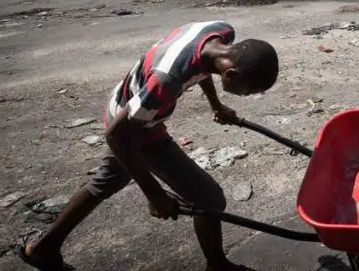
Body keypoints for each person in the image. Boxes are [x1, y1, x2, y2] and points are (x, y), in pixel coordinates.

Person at [19, 21, 279, 271]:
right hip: (133, 127)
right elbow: (117, 136)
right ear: (231, 73)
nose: (248, 96)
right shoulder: (166, 82)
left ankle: (44, 248)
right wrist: (155, 195)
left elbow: (202, 67)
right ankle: (217, 265)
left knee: (107, 181)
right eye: (249, 92)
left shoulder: (219, 32)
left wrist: (216, 104)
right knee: (208, 198)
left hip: (128, 102)